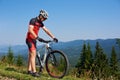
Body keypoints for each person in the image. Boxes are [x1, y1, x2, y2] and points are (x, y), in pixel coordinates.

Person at [26, 9, 58, 77]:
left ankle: (29, 70)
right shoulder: (33, 20)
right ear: (40, 16)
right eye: (44, 18)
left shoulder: (41, 23)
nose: (44, 19)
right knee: (33, 54)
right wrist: (37, 37)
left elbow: (46, 30)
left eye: (45, 19)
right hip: (29, 39)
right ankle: (34, 72)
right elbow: (30, 30)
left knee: (31, 55)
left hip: (34, 40)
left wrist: (53, 37)